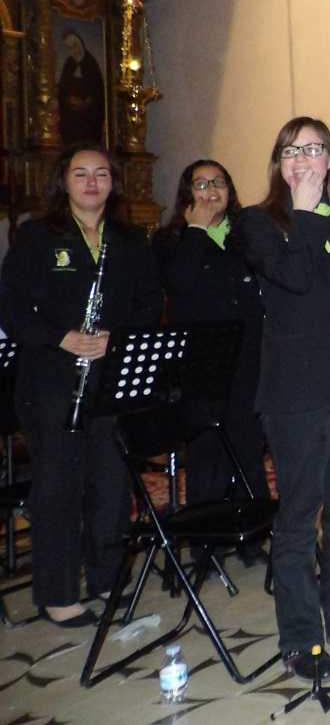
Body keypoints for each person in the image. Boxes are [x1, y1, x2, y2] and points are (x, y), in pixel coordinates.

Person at [238, 117, 330, 681]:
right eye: (291, 150)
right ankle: (302, 637)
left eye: (313, 149)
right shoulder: (258, 223)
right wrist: (303, 213)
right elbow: (294, 280)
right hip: (295, 390)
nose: (302, 159)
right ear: (279, 164)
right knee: (300, 515)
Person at [0, 146, 161, 626]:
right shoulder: (37, 235)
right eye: (81, 174)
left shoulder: (129, 239)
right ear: (63, 182)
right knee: (59, 486)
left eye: (101, 174)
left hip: (107, 376)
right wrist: (62, 337)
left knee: (111, 483)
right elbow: (10, 305)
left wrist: (117, 338)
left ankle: (107, 578)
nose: (92, 183)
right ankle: (59, 592)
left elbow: (149, 302)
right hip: (51, 379)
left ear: (113, 182)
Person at [152, 159, 267, 505]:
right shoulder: (170, 240)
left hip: (249, 355)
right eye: (201, 184)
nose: (211, 190)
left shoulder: (246, 233)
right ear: (187, 193)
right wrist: (197, 230)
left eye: (219, 182)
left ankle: (253, 525)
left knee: (248, 446)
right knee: (207, 451)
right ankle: (207, 530)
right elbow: (180, 284)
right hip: (201, 362)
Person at [56, 29, 105, 148]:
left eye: (75, 45)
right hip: (71, 116)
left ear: (81, 43)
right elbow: (62, 89)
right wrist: (69, 99)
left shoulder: (91, 64)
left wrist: (85, 103)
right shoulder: (69, 63)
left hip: (88, 118)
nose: (75, 50)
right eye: (70, 48)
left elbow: (98, 92)